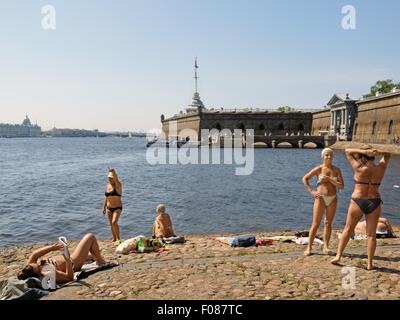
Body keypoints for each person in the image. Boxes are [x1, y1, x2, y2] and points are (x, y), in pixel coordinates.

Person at [331, 146, 391, 270]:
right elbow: (387, 155)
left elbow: (347, 151)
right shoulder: (381, 168)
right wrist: (377, 152)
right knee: (371, 235)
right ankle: (370, 264)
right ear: (373, 157)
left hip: (358, 200)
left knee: (347, 230)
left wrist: (363, 151)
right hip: (374, 201)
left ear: (363, 157)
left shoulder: (359, 167)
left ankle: (338, 256)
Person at [17, 233, 107, 284]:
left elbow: (35, 254)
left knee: (93, 251)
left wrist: (52, 247)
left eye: (36, 264)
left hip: (67, 256)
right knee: (90, 237)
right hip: (73, 262)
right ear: (37, 273)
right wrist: (67, 260)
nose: (39, 264)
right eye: (39, 267)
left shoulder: (29, 267)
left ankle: (94, 255)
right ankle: (100, 261)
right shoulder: (48, 273)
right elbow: (69, 277)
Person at [302, 148, 344, 256]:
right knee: (315, 224)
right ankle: (309, 247)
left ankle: (326, 246)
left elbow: (341, 186)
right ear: (323, 156)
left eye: (330, 155)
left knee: (328, 223)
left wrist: (330, 179)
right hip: (320, 198)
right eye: (326, 155)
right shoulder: (319, 169)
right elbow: (305, 178)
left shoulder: (336, 170)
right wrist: (312, 191)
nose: (329, 157)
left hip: (333, 198)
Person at [103, 168, 122, 242]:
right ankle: (114, 238)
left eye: (112, 178)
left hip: (117, 208)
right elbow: (106, 197)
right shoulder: (107, 186)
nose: (110, 180)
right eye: (109, 178)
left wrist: (113, 171)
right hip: (109, 208)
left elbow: (117, 179)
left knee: (114, 222)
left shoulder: (118, 186)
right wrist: (104, 207)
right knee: (111, 224)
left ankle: (118, 238)